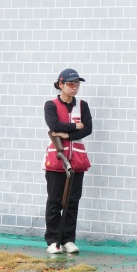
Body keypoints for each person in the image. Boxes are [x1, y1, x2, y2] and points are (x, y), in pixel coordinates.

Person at [43, 68, 92, 254]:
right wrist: (74, 126)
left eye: (77, 84)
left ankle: (68, 239)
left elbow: (87, 129)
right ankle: (53, 240)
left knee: (72, 201)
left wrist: (67, 134)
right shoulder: (51, 105)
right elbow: (54, 125)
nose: (75, 87)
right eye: (71, 84)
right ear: (61, 85)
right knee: (55, 200)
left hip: (77, 160)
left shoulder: (83, 106)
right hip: (57, 159)